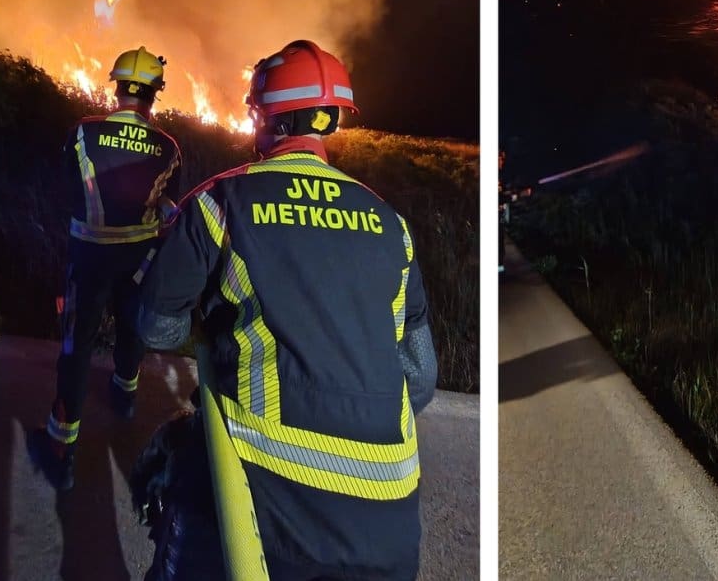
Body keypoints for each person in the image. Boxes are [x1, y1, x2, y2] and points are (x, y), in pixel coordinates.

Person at [136, 39, 438, 580]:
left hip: (261, 520)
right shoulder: (391, 225)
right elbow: (419, 378)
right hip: (391, 533)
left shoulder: (219, 203)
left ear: (267, 120)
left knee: (180, 469)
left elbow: (157, 328)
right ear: (330, 124)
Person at [27, 45, 182, 491]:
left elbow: (63, 186)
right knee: (133, 327)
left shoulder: (82, 132)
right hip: (139, 257)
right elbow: (171, 208)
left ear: (116, 87)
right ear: (155, 93)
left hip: (88, 256)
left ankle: (61, 451)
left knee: (77, 344)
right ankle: (125, 395)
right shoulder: (168, 147)